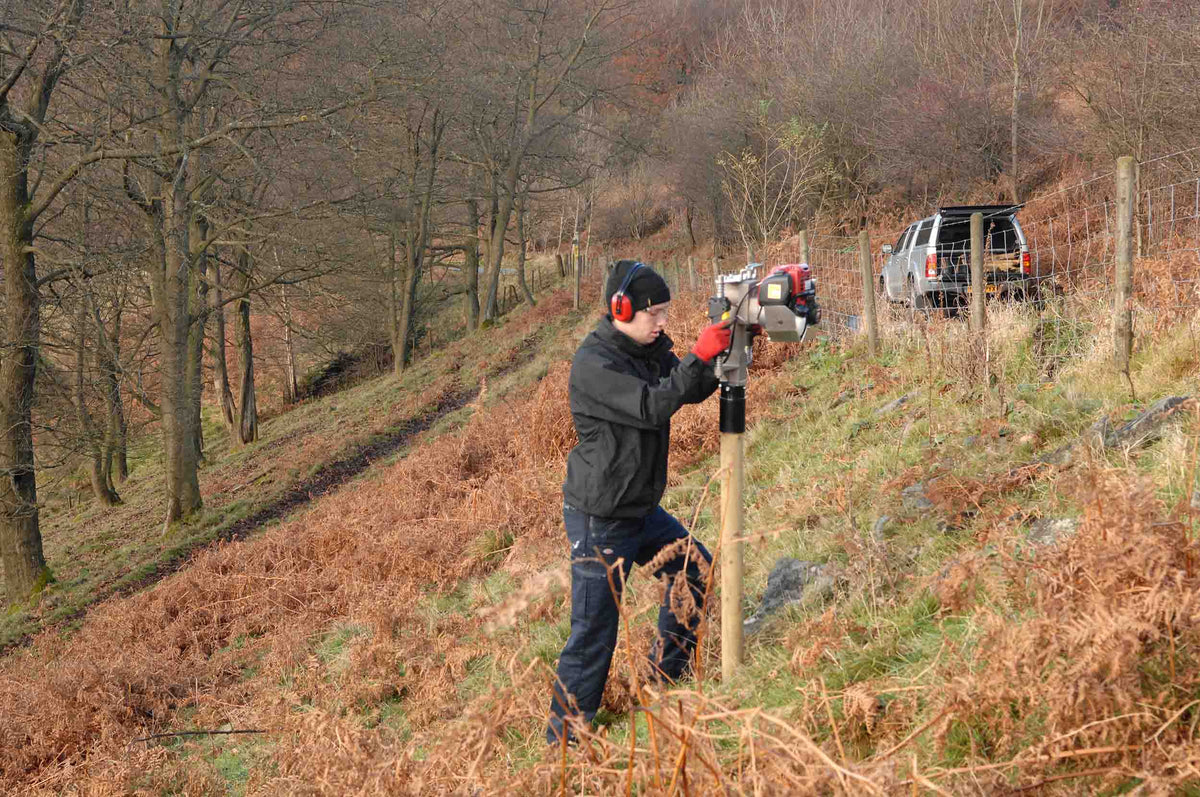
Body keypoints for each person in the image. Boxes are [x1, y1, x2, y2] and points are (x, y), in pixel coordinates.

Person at [546, 259, 733, 745]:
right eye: (655, 314)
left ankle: (664, 677)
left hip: (638, 509)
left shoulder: (647, 349)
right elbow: (651, 406)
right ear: (621, 308)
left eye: (666, 313)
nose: (662, 322)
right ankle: (564, 744)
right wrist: (697, 355)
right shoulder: (595, 365)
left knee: (693, 569)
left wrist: (720, 353)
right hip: (600, 516)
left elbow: (684, 390)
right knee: (594, 633)